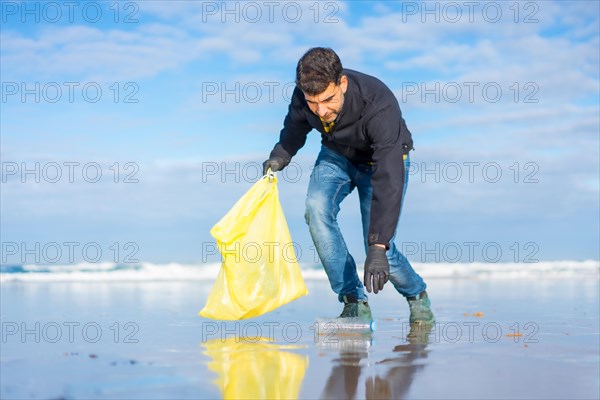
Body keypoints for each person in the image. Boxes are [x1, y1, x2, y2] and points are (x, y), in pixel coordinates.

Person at [263, 47, 433, 324]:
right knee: (315, 209)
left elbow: (389, 177)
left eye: (328, 100)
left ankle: (417, 295)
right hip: (337, 155)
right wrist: (280, 155)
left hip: (383, 162)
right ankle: (353, 300)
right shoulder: (304, 95)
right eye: (312, 102)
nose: (321, 111)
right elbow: (295, 127)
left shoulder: (378, 104)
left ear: (342, 83)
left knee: (378, 251)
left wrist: (379, 246)